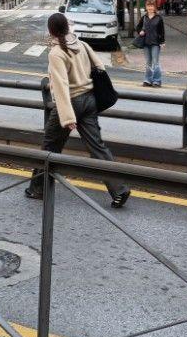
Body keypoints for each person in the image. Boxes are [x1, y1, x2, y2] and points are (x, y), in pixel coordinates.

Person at [26, 13, 130, 207]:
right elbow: (100, 66)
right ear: (67, 27)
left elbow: (61, 86)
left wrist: (67, 118)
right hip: (89, 101)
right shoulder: (80, 44)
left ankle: (37, 189)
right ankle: (119, 189)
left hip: (71, 104)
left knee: (49, 147)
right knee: (97, 147)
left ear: (51, 31)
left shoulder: (56, 53)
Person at [137, 0, 166, 87]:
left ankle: (157, 81)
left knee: (155, 62)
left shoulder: (158, 18)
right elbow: (138, 27)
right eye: (148, 6)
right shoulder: (144, 17)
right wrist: (140, 31)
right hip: (146, 43)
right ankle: (148, 80)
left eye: (151, 6)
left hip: (155, 43)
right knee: (148, 62)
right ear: (146, 7)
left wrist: (162, 41)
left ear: (154, 7)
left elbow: (162, 31)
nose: (150, 7)